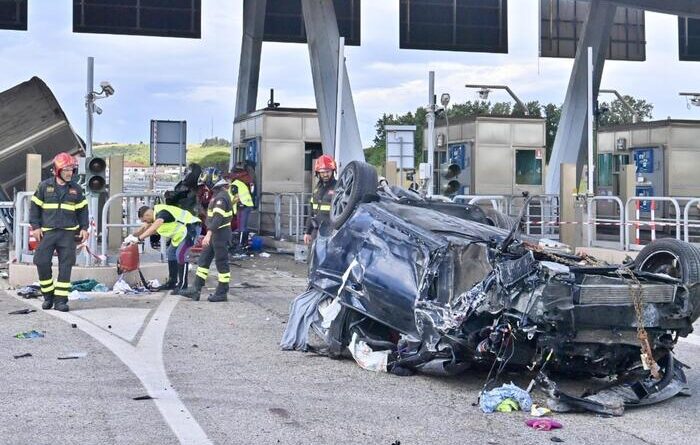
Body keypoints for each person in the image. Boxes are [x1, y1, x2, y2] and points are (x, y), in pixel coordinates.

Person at [29, 152, 89, 312]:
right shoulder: (44, 186)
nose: (70, 173)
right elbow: (34, 208)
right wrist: (35, 227)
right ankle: (48, 296)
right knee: (41, 262)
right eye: (66, 170)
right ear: (57, 170)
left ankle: (61, 301)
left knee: (66, 266)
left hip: (68, 234)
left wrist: (84, 228)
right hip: (47, 233)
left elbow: (83, 210)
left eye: (72, 169)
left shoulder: (76, 189)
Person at [125, 203, 201, 293]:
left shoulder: (161, 213)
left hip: (191, 228)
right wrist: (130, 237)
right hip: (181, 234)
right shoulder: (155, 216)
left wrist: (138, 239)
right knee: (171, 253)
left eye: (145, 220)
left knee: (180, 255)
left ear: (147, 215)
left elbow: (153, 228)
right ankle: (172, 283)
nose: (146, 222)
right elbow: (143, 228)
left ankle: (183, 286)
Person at [179, 178, 233, 302]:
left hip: (220, 234)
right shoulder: (217, 195)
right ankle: (196, 289)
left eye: (205, 184)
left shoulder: (221, 197)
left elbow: (218, 218)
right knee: (203, 260)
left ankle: (222, 292)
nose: (204, 187)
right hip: (215, 234)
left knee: (221, 262)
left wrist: (208, 234)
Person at [304, 154, 337, 245]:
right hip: (316, 231)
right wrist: (307, 232)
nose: (325, 174)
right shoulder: (317, 189)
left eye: (328, 171)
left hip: (331, 233)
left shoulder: (339, 188)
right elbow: (311, 212)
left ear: (333, 171)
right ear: (318, 173)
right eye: (322, 172)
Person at [229, 162, 255, 252]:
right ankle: (244, 244)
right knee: (243, 226)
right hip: (247, 205)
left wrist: (230, 203)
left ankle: (240, 246)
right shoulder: (241, 182)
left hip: (242, 206)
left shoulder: (235, 184)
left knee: (241, 227)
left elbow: (236, 197)